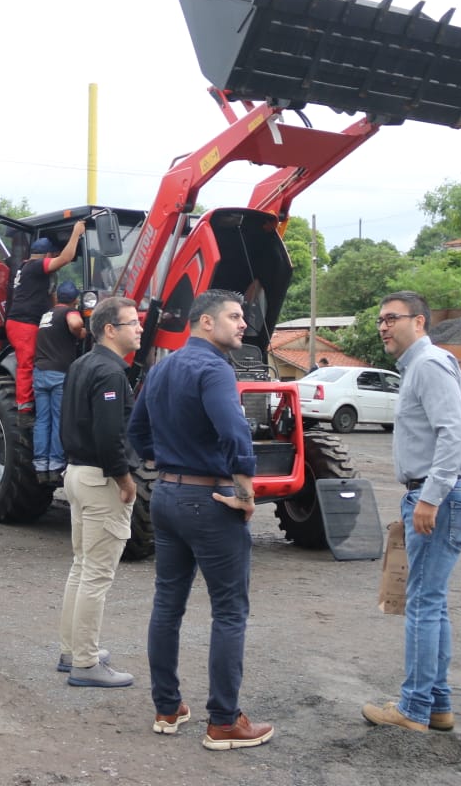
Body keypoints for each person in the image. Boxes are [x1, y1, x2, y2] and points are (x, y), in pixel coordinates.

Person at [127, 289, 274, 751]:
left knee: (167, 604)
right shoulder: (215, 369)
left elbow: (136, 431)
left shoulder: (162, 367)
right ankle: (224, 722)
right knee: (229, 610)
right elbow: (234, 431)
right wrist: (246, 492)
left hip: (167, 495)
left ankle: (167, 708)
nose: (243, 324)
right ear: (206, 322)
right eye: (234, 316)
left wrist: (167, 462)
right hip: (209, 498)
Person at [362, 291, 461, 732]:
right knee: (433, 600)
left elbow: (453, 433)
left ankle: (413, 708)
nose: (383, 326)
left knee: (423, 603)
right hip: (447, 491)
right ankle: (437, 704)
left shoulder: (428, 364)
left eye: (392, 318)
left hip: (440, 495)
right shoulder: (426, 364)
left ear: (419, 322)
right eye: (380, 319)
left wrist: (430, 497)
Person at [55, 295, 140, 687]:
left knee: (82, 567)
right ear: (110, 329)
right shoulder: (110, 373)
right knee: (96, 574)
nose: (139, 328)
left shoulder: (81, 364)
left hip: (76, 473)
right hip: (100, 480)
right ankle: (86, 664)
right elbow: (109, 435)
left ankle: (73, 651)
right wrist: (125, 480)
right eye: (132, 322)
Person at [6, 224, 85, 413]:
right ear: (47, 255)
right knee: (26, 362)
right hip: (24, 323)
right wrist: (76, 232)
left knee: (31, 361)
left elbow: (50, 297)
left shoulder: (26, 268)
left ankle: (33, 400)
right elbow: (65, 258)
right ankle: (25, 408)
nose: (54, 258)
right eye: (53, 255)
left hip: (22, 322)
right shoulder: (35, 266)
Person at [33, 281, 85, 483]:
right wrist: (81, 333)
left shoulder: (47, 315)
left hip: (40, 373)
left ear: (57, 297)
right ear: (75, 300)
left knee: (42, 421)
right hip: (58, 374)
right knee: (58, 420)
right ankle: (55, 466)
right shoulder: (68, 312)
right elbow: (76, 324)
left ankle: (40, 467)